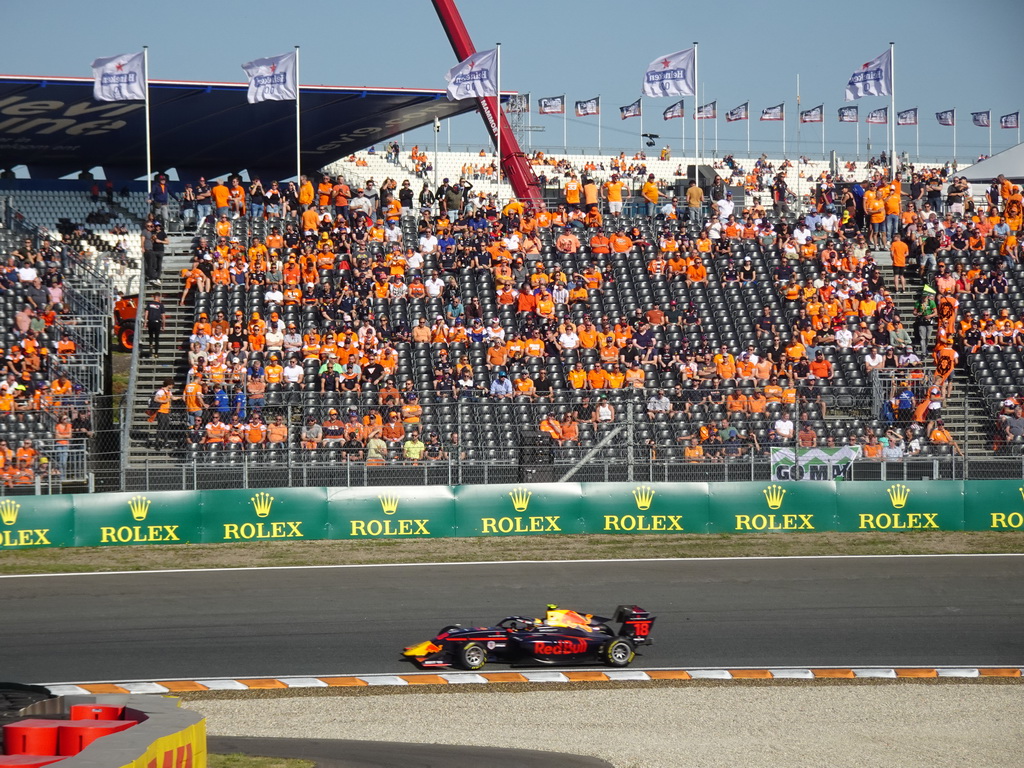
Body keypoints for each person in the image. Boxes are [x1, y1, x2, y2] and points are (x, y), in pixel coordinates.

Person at [143, 293, 166, 358]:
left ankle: (150, 344)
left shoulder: (149, 304)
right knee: (156, 338)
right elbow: (163, 316)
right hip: (157, 322)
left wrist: (145, 323)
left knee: (150, 336)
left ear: (154, 297)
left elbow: (146, 314)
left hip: (150, 322)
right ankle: (156, 353)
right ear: (158, 297)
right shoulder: (160, 305)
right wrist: (163, 325)